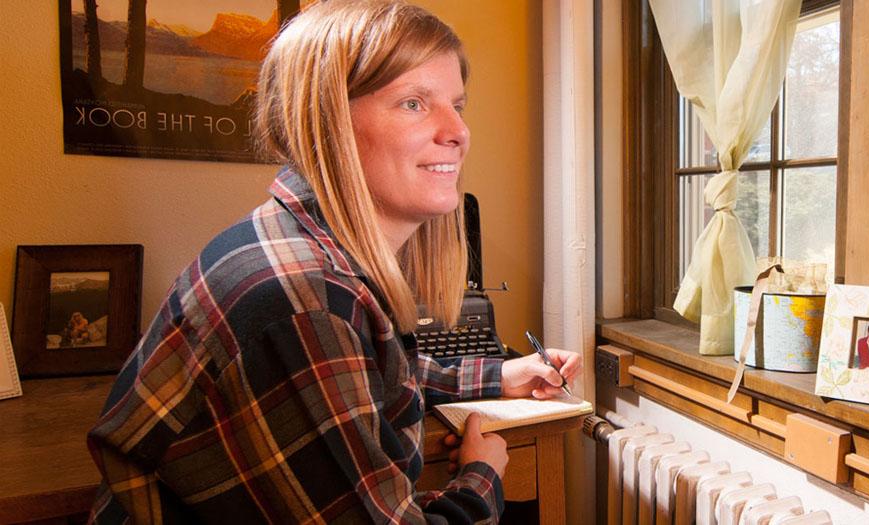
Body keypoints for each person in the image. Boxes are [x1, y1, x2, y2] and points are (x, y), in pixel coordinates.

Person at [86, 2, 579, 523]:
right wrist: (481, 476)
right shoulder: (303, 302)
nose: (458, 131)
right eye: (414, 103)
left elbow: (368, 375)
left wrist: (498, 376)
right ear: (326, 121)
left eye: (457, 104)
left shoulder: (307, 251)